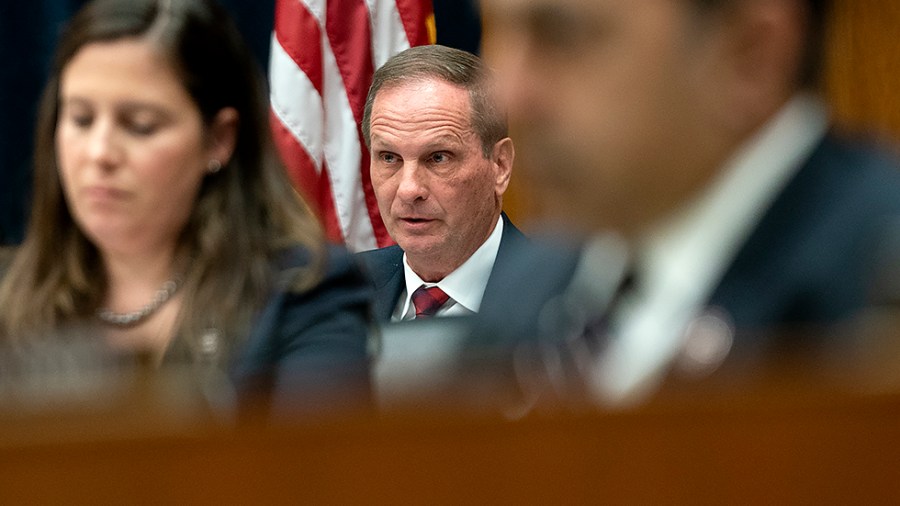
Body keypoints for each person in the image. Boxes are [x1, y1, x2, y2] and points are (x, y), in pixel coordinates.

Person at [472, 0, 900, 406]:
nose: (510, 96)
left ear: (750, 53)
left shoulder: (871, 293)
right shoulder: (524, 288)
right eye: (497, 32)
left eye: (564, 36)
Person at [0, 0, 372, 417]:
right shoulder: (7, 296)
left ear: (219, 139)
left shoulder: (302, 296)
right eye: (81, 119)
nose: (99, 153)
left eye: (140, 124)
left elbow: (320, 478)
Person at [356, 45, 525, 322]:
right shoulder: (339, 296)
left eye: (438, 158)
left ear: (500, 165)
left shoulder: (564, 300)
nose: (409, 190)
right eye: (389, 157)